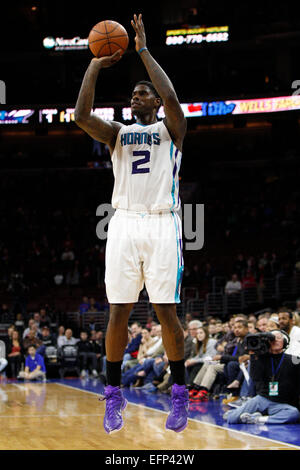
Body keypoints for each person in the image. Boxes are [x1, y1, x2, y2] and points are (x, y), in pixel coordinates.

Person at [75, 13, 188, 434]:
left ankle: (179, 397)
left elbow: (173, 98)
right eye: (134, 93)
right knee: (117, 313)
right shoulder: (117, 132)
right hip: (122, 223)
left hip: (162, 224)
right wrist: (94, 62)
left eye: (144, 93)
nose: (136, 97)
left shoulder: (171, 127)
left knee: (166, 313)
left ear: (155, 101)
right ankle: (113, 398)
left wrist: (142, 51)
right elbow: (80, 114)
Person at [223, 330, 300, 424]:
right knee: (231, 419)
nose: (275, 340)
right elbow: (255, 378)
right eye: (272, 338)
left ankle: (257, 419)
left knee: (294, 413)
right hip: (262, 399)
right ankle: (243, 414)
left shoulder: (294, 359)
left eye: (279, 338)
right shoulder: (260, 358)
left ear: (285, 341)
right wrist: (253, 354)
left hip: (281, 403)